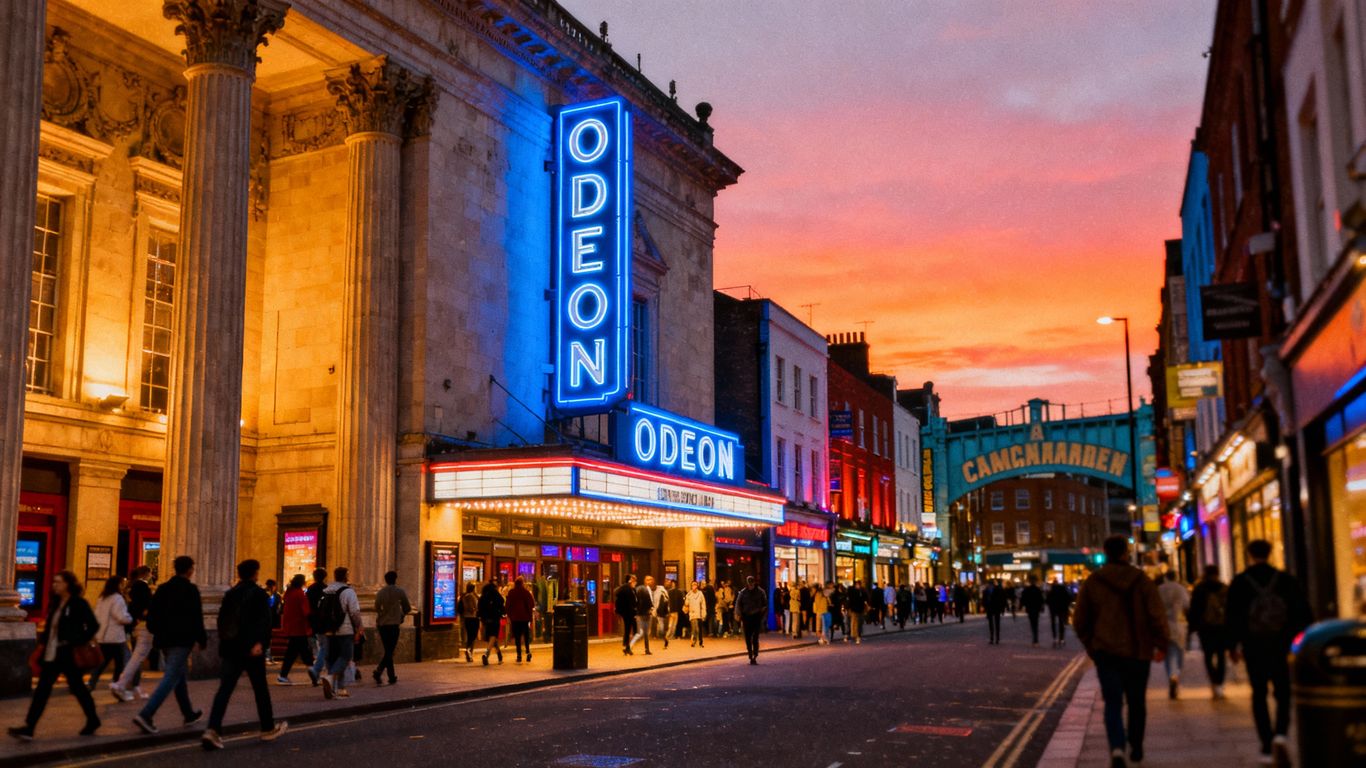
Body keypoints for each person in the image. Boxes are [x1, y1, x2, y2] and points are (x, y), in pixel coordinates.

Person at [1073, 535, 1168, 768]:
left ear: (1105, 553)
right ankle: (1136, 747)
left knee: (1113, 702)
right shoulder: (1142, 580)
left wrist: (1092, 645)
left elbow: (1079, 620)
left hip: (1106, 653)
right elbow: (1157, 615)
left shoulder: (1093, 582)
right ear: (1126, 552)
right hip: (1138, 652)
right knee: (1136, 702)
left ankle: (1117, 748)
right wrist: (1162, 644)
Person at [1226, 540, 1312, 766]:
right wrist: (1299, 640)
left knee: (1259, 693)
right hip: (1282, 645)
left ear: (1249, 554)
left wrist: (1232, 646)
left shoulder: (1240, 582)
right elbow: (1302, 612)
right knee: (1283, 691)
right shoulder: (1285, 580)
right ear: (1270, 553)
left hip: (1254, 646)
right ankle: (1281, 734)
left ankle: (1266, 744)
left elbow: (1232, 616)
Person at [202, 559, 287, 749]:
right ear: (255, 573)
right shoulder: (259, 594)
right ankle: (267, 727)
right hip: (251, 649)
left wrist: (225, 642)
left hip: (231, 648)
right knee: (260, 690)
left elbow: (222, 621)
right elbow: (264, 622)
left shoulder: (230, 593)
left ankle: (212, 729)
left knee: (224, 690)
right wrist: (260, 643)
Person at [9, 571, 100, 740]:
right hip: (53, 653)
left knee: (78, 688)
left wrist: (77, 641)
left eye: (58, 582)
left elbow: (93, 625)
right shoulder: (56, 603)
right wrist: (41, 648)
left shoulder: (78, 603)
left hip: (68, 653)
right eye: (54, 582)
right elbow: (50, 629)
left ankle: (93, 719)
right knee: (42, 690)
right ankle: (29, 727)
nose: (54, 585)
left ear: (68, 584)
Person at [133, 555, 206, 735]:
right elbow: (196, 617)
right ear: (189, 570)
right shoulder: (191, 590)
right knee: (171, 676)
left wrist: (157, 631)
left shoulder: (163, 588)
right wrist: (201, 639)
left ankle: (188, 713)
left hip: (164, 640)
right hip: (181, 640)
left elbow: (152, 615)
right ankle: (146, 714)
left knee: (178, 675)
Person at [318, 567, 363, 698]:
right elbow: (354, 612)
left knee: (333, 657)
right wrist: (359, 627)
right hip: (345, 629)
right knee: (346, 656)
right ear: (345, 576)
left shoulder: (326, 590)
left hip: (329, 629)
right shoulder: (348, 591)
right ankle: (330, 677)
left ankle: (339, 688)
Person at [110, 565, 154, 702]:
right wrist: (143, 614)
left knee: (136, 656)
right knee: (137, 657)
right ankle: (123, 684)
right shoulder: (141, 586)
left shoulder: (130, 586)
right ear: (145, 574)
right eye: (149, 573)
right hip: (143, 624)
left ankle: (132, 686)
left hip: (134, 625)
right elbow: (147, 604)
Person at [1187, 564, 1229, 699]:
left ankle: (1214, 683)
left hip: (1205, 628)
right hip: (1221, 628)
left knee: (1208, 656)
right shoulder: (1224, 588)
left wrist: (1191, 628)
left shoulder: (1199, 589)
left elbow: (1194, 610)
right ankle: (1220, 683)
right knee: (1221, 656)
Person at [88, 575, 132, 692]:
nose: (123, 586)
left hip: (103, 635)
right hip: (115, 636)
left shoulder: (102, 598)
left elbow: (96, 616)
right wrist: (130, 619)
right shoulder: (117, 598)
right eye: (122, 584)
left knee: (103, 661)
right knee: (121, 662)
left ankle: (92, 682)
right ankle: (117, 684)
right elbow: (121, 616)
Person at [374, 570, 413, 682]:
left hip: (382, 625)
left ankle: (391, 676)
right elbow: (407, 608)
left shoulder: (380, 592)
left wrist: (383, 614)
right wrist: (401, 615)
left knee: (388, 650)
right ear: (395, 579)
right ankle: (379, 671)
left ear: (386, 580)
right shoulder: (400, 592)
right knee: (390, 650)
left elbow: (377, 607)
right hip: (394, 625)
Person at [1156, 573, 1190, 699]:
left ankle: (1172, 675)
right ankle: (1175, 675)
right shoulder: (1181, 589)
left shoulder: (1160, 589)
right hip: (1179, 625)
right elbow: (1187, 606)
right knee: (1179, 653)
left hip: (1164, 625)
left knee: (1169, 654)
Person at [276, 574, 313, 684]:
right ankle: (313, 673)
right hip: (299, 627)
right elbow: (306, 611)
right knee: (302, 652)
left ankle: (283, 675)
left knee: (294, 652)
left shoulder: (289, 593)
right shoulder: (300, 594)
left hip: (291, 626)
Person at [305, 567, 330, 686]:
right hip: (324, 622)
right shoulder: (326, 589)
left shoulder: (310, 589)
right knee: (325, 647)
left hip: (314, 622)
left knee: (322, 646)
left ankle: (321, 672)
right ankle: (317, 670)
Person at [735, 575, 768, 664]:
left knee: (755, 637)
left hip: (756, 617)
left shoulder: (760, 592)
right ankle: (750, 654)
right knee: (748, 637)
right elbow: (738, 604)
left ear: (754, 582)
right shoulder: (743, 592)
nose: (750, 584)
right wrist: (738, 614)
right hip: (746, 617)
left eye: (751, 582)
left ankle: (755, 654)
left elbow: (765, 605)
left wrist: (762, 616)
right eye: (749, 582)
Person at [505, 576, 535, 664]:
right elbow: (532, 604)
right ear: (522, 583)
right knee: (526, 635)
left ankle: (519, 655)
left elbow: (508, 605)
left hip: (515, 618)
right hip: (525, 618)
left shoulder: (512, 592)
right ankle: (528, 652)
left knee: (517, 637)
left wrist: (509, 615)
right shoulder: (526, 592)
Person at [477, 577, 505, 665]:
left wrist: (482, 617)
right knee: (493, 636)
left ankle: (499, 655)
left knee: (492, 638)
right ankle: (486, 654)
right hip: (495, 617)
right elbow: (501, 601)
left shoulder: (483, 596)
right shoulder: (495, 594)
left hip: (486, 619)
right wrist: (502, 612)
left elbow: (480, 607)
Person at [1046, 578, 1073, 648]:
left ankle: (1054, 638)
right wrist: (1066, 606)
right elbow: (1068, 598)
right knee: (1061, 623)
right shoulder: (1062, 589)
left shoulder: (1052, 590)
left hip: (1053, 609)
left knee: (1053, 623)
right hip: (1061, 609)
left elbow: (1047, 600)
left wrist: (1050, 605)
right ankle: (1061, 638)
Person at [1020, 575, 1045, 647]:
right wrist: (1042, 607)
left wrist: (1021, 606)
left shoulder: (1027, 590)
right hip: (1036, 608)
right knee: (1035, 623)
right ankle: (1036, 639)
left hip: (1030, 608)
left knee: (1032, 623)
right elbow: (1041, 599)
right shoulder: (1037, 590)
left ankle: (1035, 638)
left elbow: (1023, 599)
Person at [633, 575, 655, 655]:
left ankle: (647, 649)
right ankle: (629, 646)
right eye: (648, 580)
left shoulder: (650, 590)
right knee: (641, 633)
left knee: (646, 633)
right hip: (642, 613)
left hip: (648, 613)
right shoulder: (641, 589)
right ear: (645, 581)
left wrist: (652, 609)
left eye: (651, 580)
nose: (650, 581)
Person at [459, 582, 480, 662]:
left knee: (470, 636)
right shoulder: (470, 596)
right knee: (472, 636)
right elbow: (472, 608)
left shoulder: (464, 596)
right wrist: (476, 609)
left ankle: (470, 653)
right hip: (473, 618)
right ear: (473, 588)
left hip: (466, 618)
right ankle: (468, 651)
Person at [983, 579, 1006, 645]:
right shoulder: (998, 589)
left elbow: (984, 600)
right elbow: (1002, 599)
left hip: (993, 608)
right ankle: (995, 638)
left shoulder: (988, 590)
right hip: (994, 608)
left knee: (993, 624)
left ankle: (993, 638)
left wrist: (985, 607)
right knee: (996, 623)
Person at [650, 577, 671, 650]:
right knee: (653, 626)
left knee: (661, 628)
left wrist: (666, 609)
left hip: (661, 612)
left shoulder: (661, 589)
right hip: (654, 611)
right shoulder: (650, 591)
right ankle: (654, 636)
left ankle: (665, 639)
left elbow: (666, 599)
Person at [845, 580, 867, 644]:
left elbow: (865, 599)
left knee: (858, 623)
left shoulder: (861, 591)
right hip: (855, 610)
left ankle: (856, 635)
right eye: (857, 585)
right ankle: (856, 636)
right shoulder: (855, 592)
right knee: (855, 623)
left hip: (858, 609)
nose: (858, 586)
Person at [685, 581, 706, 646]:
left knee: (699, 628)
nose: (694, 586)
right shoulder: (689, 594)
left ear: (697, 586)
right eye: (692, 585)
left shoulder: (700, 594)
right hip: (692, 614)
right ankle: (694, 641)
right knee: (695, 628)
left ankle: (700, 641)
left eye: (695, 585)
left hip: (699, 613)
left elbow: (703, 604)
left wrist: (704, 613)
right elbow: (686, 603)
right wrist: (687, 598)